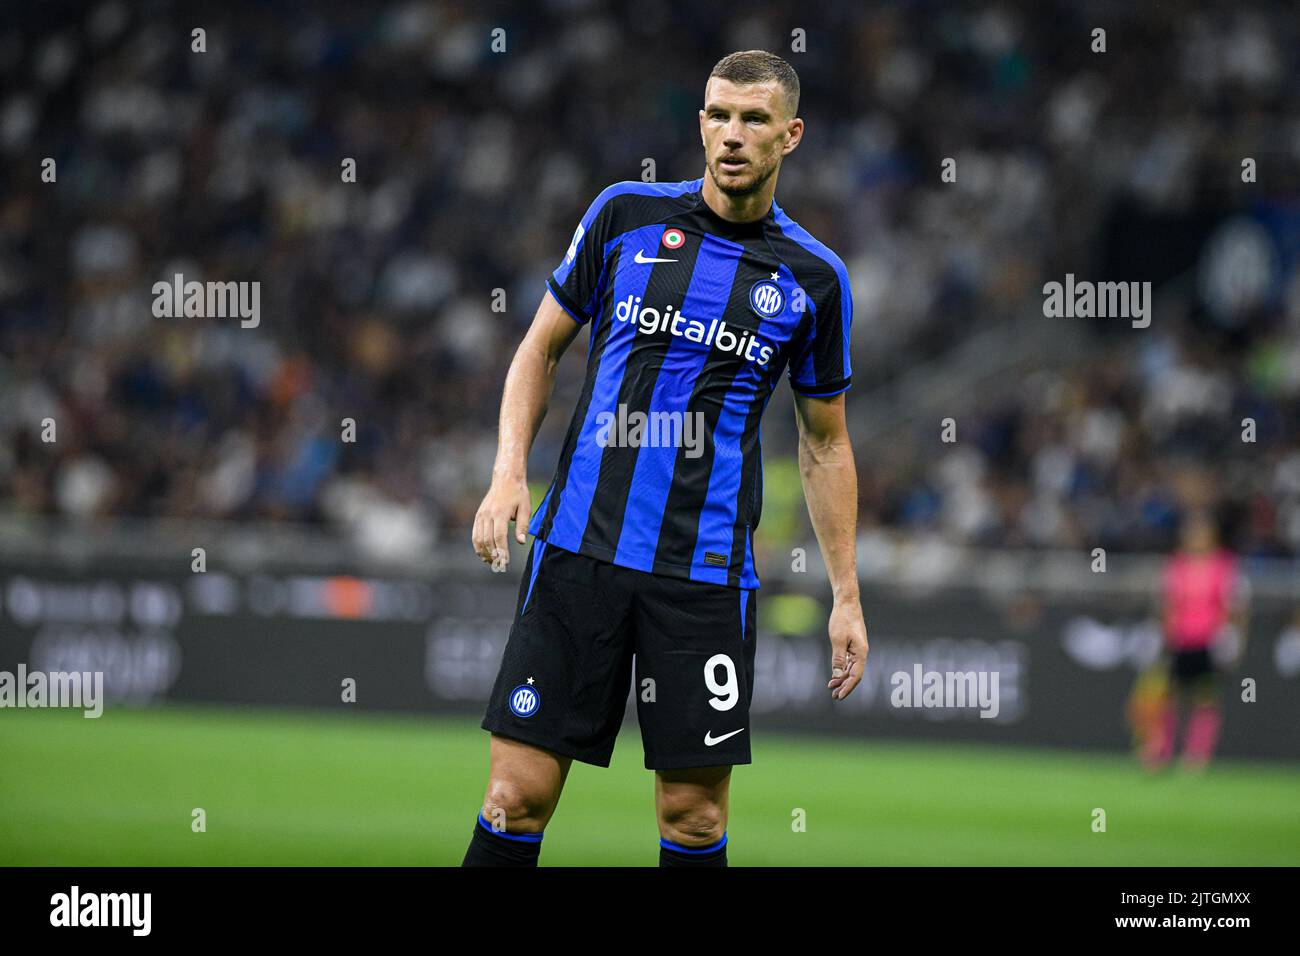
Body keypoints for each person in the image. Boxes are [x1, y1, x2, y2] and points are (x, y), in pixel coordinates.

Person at [463, 50, 869, 866]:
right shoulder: (625, 216)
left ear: (790, 136)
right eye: (718, 115)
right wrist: (509, 470)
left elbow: (825, 443)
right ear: (700, 124)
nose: (732, 135)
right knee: (514, 799)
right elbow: (539, 348)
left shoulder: (814, 279)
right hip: (578, 548)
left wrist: (847, 596)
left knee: (694, 819)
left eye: (754, 120)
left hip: (705, 578)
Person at [1142, 510, 1249, 772]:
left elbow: (1236, 606)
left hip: (1208, 641)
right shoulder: (1176, 565)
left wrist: (1233, 639)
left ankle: (1197, 755)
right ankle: (1162, 751)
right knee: (1169, 696)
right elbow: (1165, 604)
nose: (1194, 537)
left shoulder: (1225, 565)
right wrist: (1159, 635)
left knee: (1205, 698)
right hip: (1180, 639)